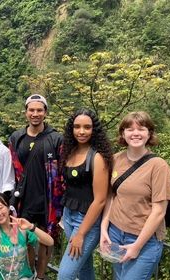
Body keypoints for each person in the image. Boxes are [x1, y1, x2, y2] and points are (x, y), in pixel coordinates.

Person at [100, 111, 170, 280]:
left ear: (149, 133)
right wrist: (104, 229)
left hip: (144, 240)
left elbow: (158, 211)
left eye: (141, 129)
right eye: (129, 129)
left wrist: (137, 246)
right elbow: (111, 196)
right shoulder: (115, 159)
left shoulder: (158, 166)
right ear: (122, 133)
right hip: (115, 234)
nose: (135, 133)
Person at [8, 94, 63, 279]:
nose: (35, 113)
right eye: (31, 110)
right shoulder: (16, 138)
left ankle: (40, 276)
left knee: (47, 240)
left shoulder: (56, 138)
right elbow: (12, 169)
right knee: (26, 239)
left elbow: (62, 170)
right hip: (24, 199)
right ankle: (29, 273)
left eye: (39, 110)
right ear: (26, 112)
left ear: (45, 113)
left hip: (48, 199)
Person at [58, 108, 113, 280]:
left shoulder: (97, 157)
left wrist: (81, 234)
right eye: (77, 127)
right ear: (71, 129)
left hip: (86, 221)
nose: (81, 131)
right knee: (84, 268)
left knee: (65, 275)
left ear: (94, 129)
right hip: (68, 216)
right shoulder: (70, 151)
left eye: (87, 127)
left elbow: (100, 200)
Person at [0, 192, 54, 280]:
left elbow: (49, 242)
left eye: (1, 207)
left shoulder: (22, 228)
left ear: (9, 207)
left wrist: (31, 227)